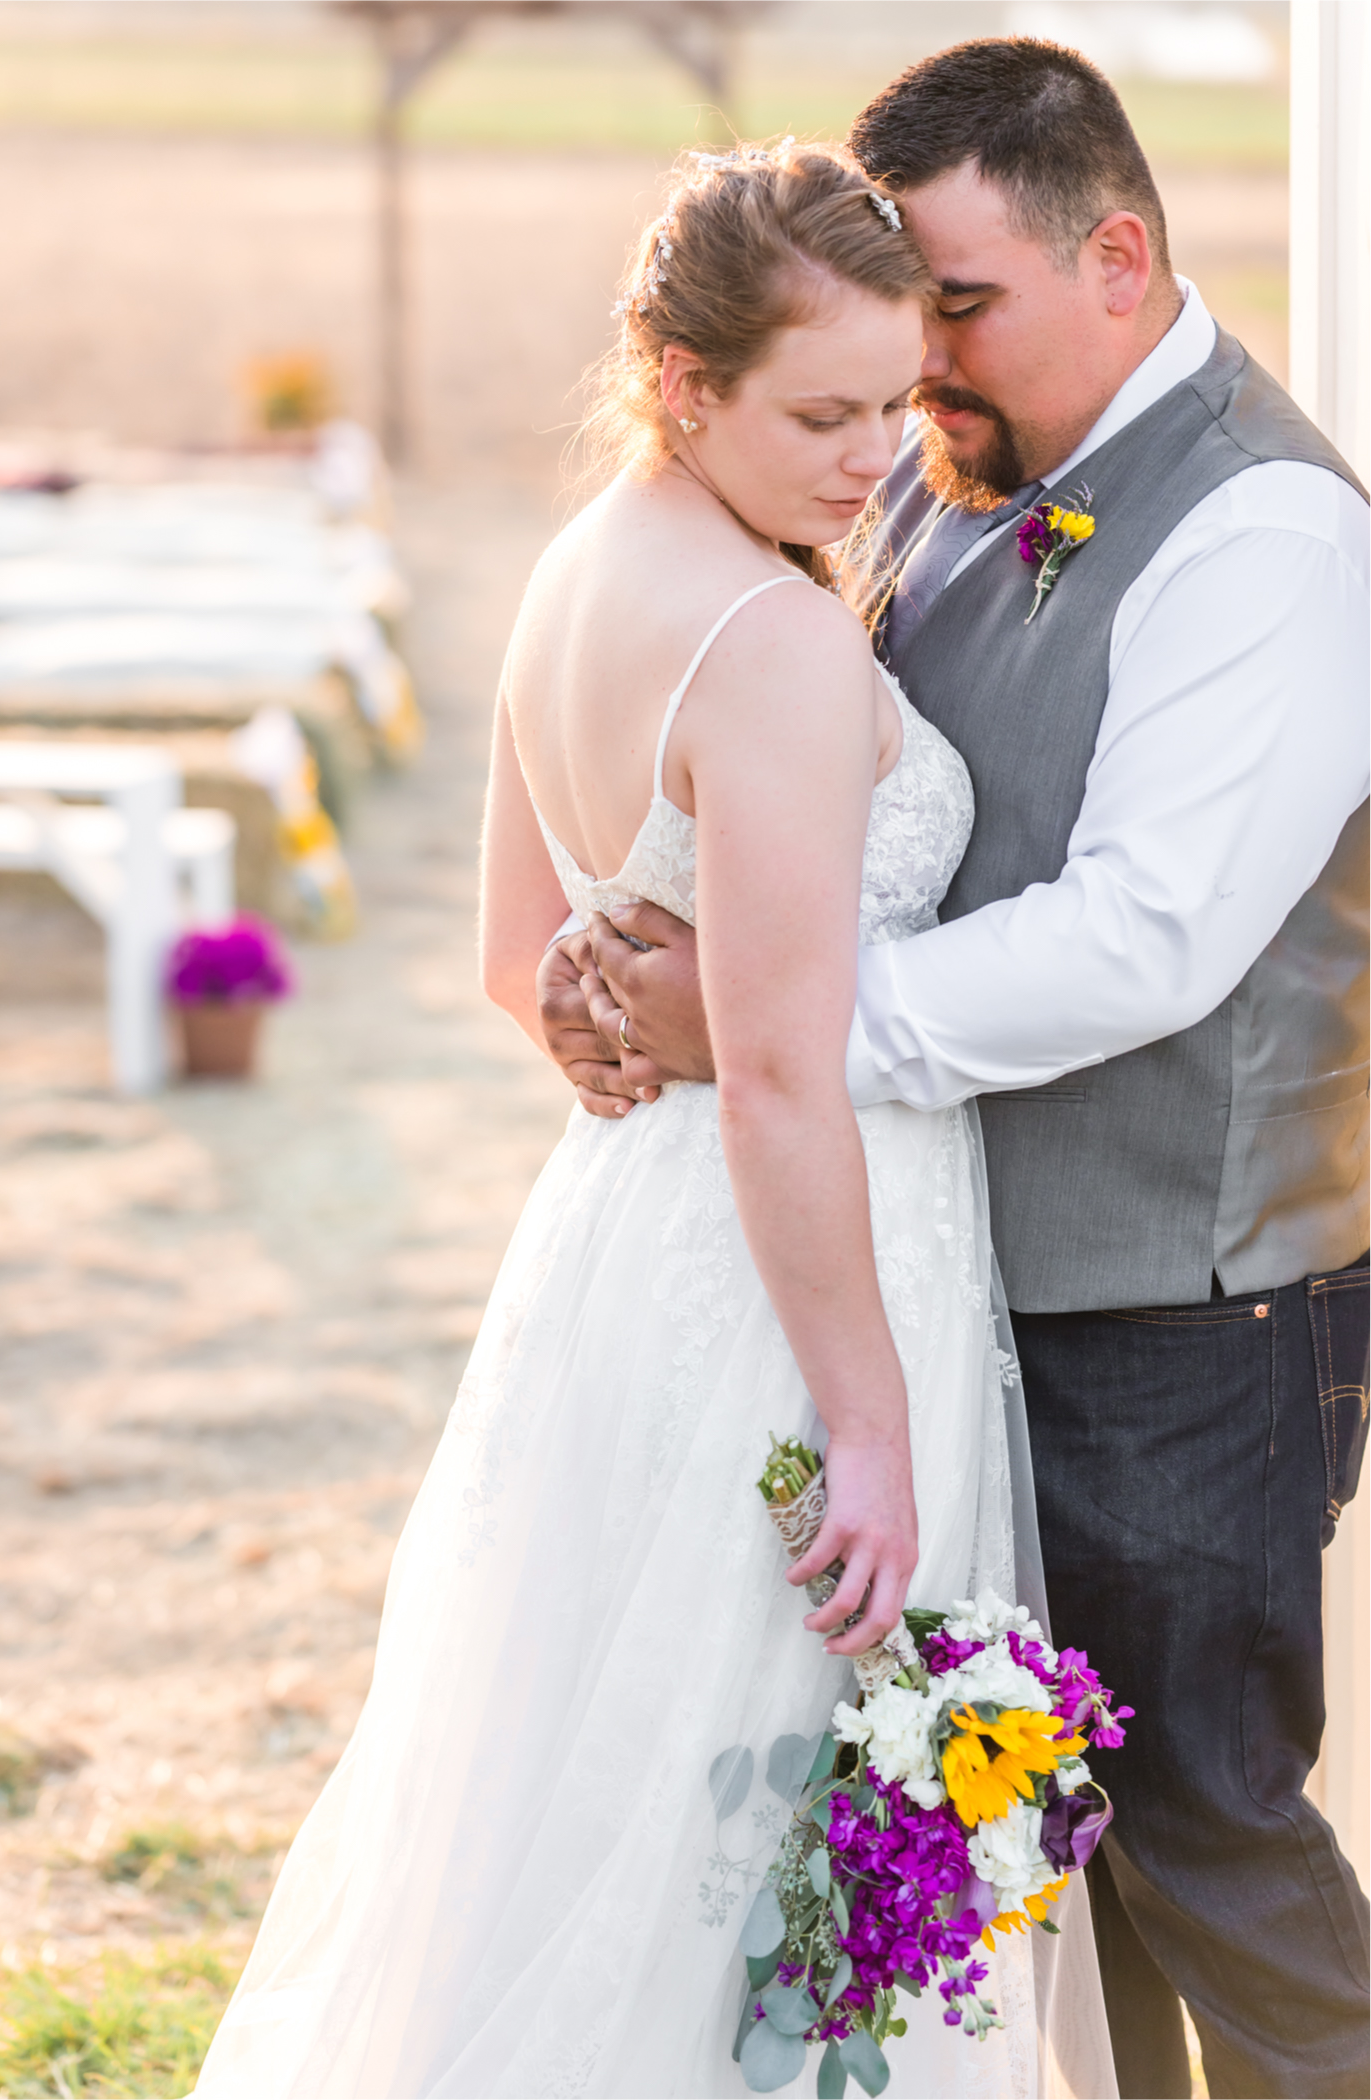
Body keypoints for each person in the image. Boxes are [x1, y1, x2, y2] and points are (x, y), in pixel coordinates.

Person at [195, 140, 1115, 2099]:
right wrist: (871, 1426)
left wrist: (613, 1040)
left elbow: (518, 961)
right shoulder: (772, 641)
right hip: (800, 1290)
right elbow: (783, 1075)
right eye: (821, 413)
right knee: (759, 1816)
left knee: (596, 1781)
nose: (875, 457)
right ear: (684, 384)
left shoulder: (575, 571)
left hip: (620, 1249)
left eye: (894, 403)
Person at [549, 40, 1370, 2100]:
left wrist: (776, 1027)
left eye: (963, 305)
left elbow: (1147, 934)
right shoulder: (934, 449)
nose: (922, 365)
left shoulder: (1270, 533)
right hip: (953, 1282)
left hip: (1184, 1312)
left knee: (1202, 1839)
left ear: (1117, 256)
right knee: (1042, 1878)